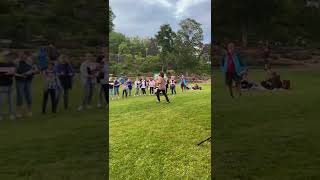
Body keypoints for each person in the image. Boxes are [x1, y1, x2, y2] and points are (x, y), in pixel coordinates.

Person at [15, 51, 39, 118]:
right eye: (21, 55)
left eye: (24, 55)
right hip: (19, 81)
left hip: (28, 80)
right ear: (19, 56)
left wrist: (31, 72)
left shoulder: (30, 61)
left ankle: (29, 111)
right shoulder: (16, 62)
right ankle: (18, 112)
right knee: (20, 96)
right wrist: (20, 75)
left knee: (28, 95)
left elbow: (36, 70)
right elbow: (13, 71)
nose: (23, 57)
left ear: (26, 56)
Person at [0, 52, 16, 120]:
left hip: (10, 84)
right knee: (1, 101)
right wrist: (6, 73)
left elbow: (12, 73)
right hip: (2, 85)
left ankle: (11, 114)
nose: (8, 57)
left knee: (11, 101)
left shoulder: (12, 64)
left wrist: (8, 73)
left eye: (9, 56)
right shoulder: (0, 64)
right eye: (6, 56)